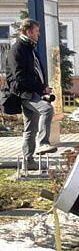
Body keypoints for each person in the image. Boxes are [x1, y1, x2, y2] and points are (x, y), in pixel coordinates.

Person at [4, 18, 57, 166]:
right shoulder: (18, 49)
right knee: (47, 109)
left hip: (34, 91)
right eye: (37, 31)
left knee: (30, 129)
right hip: (25, 93)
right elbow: (19, 76)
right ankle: (43, 143)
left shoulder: (29, 47)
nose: (39, 34)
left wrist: (43, 87)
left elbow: (35, 70)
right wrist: (40, 88)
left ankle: (28, 161)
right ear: (29, 32)